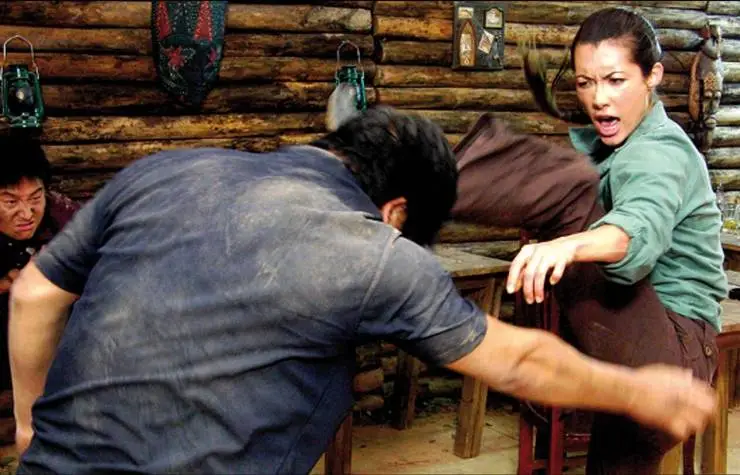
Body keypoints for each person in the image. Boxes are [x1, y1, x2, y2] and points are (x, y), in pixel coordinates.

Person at [9, 106, 715, 474]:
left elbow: (35, 294)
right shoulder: (372, 253)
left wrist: (31, 423)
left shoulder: (162, 171)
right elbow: (519, 361)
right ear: (396, 212)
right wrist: (637, 389)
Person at [451, 8, 727, 475]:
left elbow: (636, 230)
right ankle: (421, 184)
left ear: (653, 76)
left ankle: (419, 183)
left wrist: (569, 245)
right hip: (643, 343)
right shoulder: (618, 147)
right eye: (585, 83)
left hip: (674, 349)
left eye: (616, 80)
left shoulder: (659, 152)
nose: (598, 99)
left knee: (572, 192)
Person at [0, 136, 79, 444]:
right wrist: (9, 283)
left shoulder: (65, 220)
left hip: (56, 352)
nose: (26, 213)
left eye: (35, 198)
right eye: (10, 202)